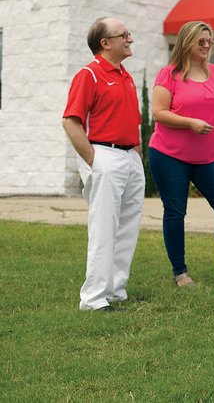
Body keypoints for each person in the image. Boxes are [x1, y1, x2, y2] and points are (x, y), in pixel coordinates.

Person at [148, 21, 214, 287]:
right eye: (200, 41)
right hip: (169, 155)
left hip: (209, 157)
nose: (206, 46)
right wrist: (190, 122)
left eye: (210, 41)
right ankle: (180, 272)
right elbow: (158, 113)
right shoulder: (168, 74)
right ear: (186, 43)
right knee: (175, 211)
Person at [63, 17, 146, 311]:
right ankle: (94, 298)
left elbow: (131, 119)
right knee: (104, 227)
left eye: (129, 33)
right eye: (123, 35)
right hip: (104, 155)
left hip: (129, 157)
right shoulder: (90, 75)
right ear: (105, 43)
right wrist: (93, 160)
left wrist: (136, 153)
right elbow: (70, 121)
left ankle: (115, 291)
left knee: (127, 226)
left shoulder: (125, 75)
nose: (130, 39)